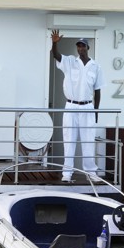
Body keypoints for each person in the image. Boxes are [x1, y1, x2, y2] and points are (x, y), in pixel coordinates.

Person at [50, 30, 104, 182]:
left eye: (83, 46)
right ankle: (67, 174)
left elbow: (98, 90)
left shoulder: (95, 66)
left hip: (88, 107)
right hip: (71, 105)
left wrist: (96, 111)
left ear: (88, 48)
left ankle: (91, 173)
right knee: (69, 140)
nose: (80, 49)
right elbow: (56, 55)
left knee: (88, 140)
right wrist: (55, 43)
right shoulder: (70, 62)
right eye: (78, 46)